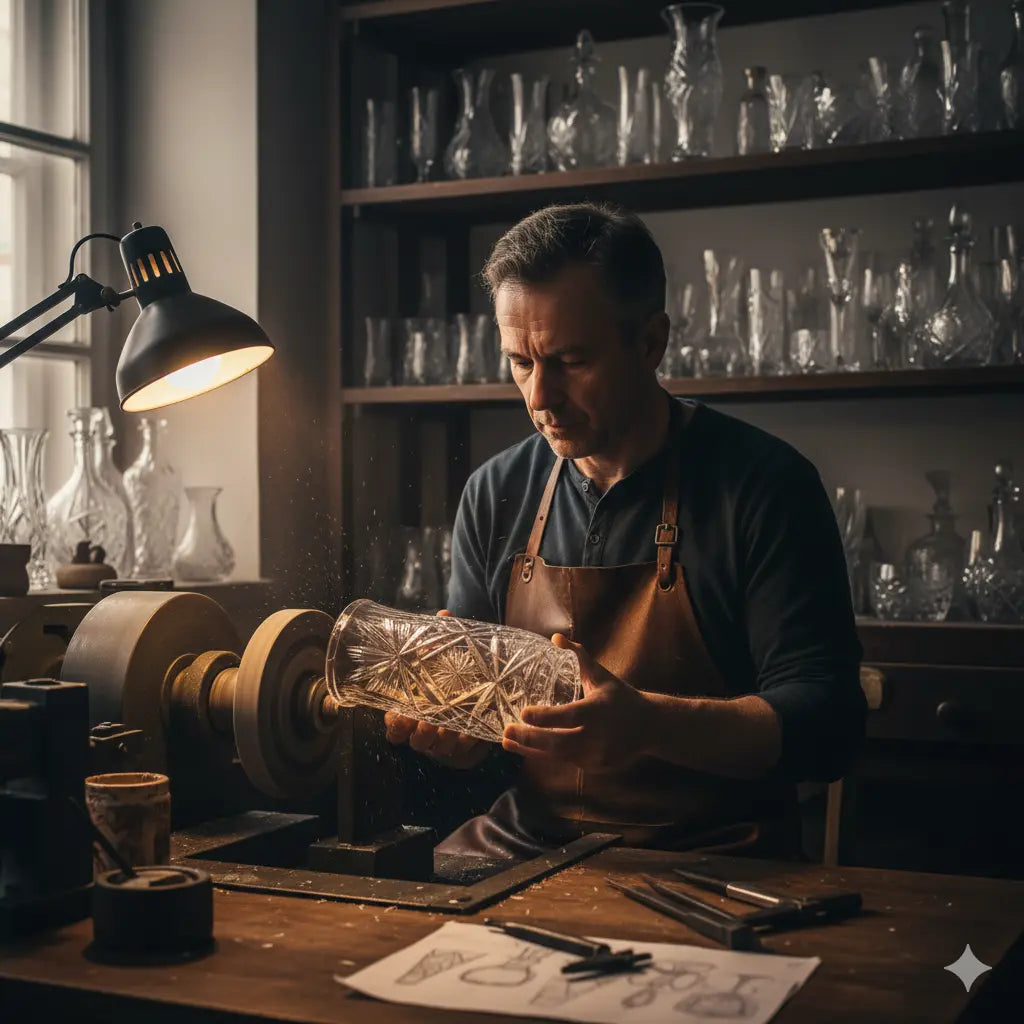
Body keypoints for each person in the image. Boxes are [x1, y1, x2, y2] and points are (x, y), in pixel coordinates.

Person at [385, 202, 866, 861]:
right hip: (526, 846)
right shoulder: (495, 493)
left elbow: (828, 726)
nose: (540, 397)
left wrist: (648, 726)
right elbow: (484, 730)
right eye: (521, 362)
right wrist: (455, 730)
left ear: (650, 342)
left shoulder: (765, 487)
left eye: (570, 360)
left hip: (712, 857)